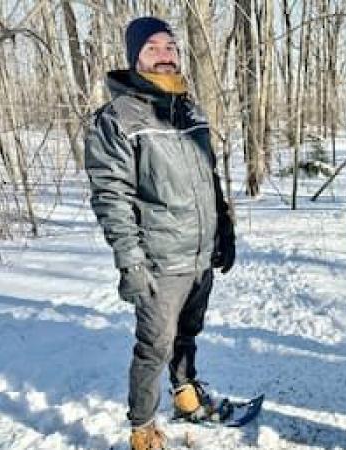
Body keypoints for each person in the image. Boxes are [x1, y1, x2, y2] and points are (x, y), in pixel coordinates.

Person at [85, 17, 236, 450]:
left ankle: (185, 393)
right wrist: (130, 262)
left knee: (190, 331)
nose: (166, 53)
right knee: (154, 346)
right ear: (135, 57)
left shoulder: (190, 110)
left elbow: (210, 176)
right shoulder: (117, 119)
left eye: (170, 46)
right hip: (159, 261)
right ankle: (143, 429)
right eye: (153, 47)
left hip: (199, 253)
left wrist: (224, 229)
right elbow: (111, 197)